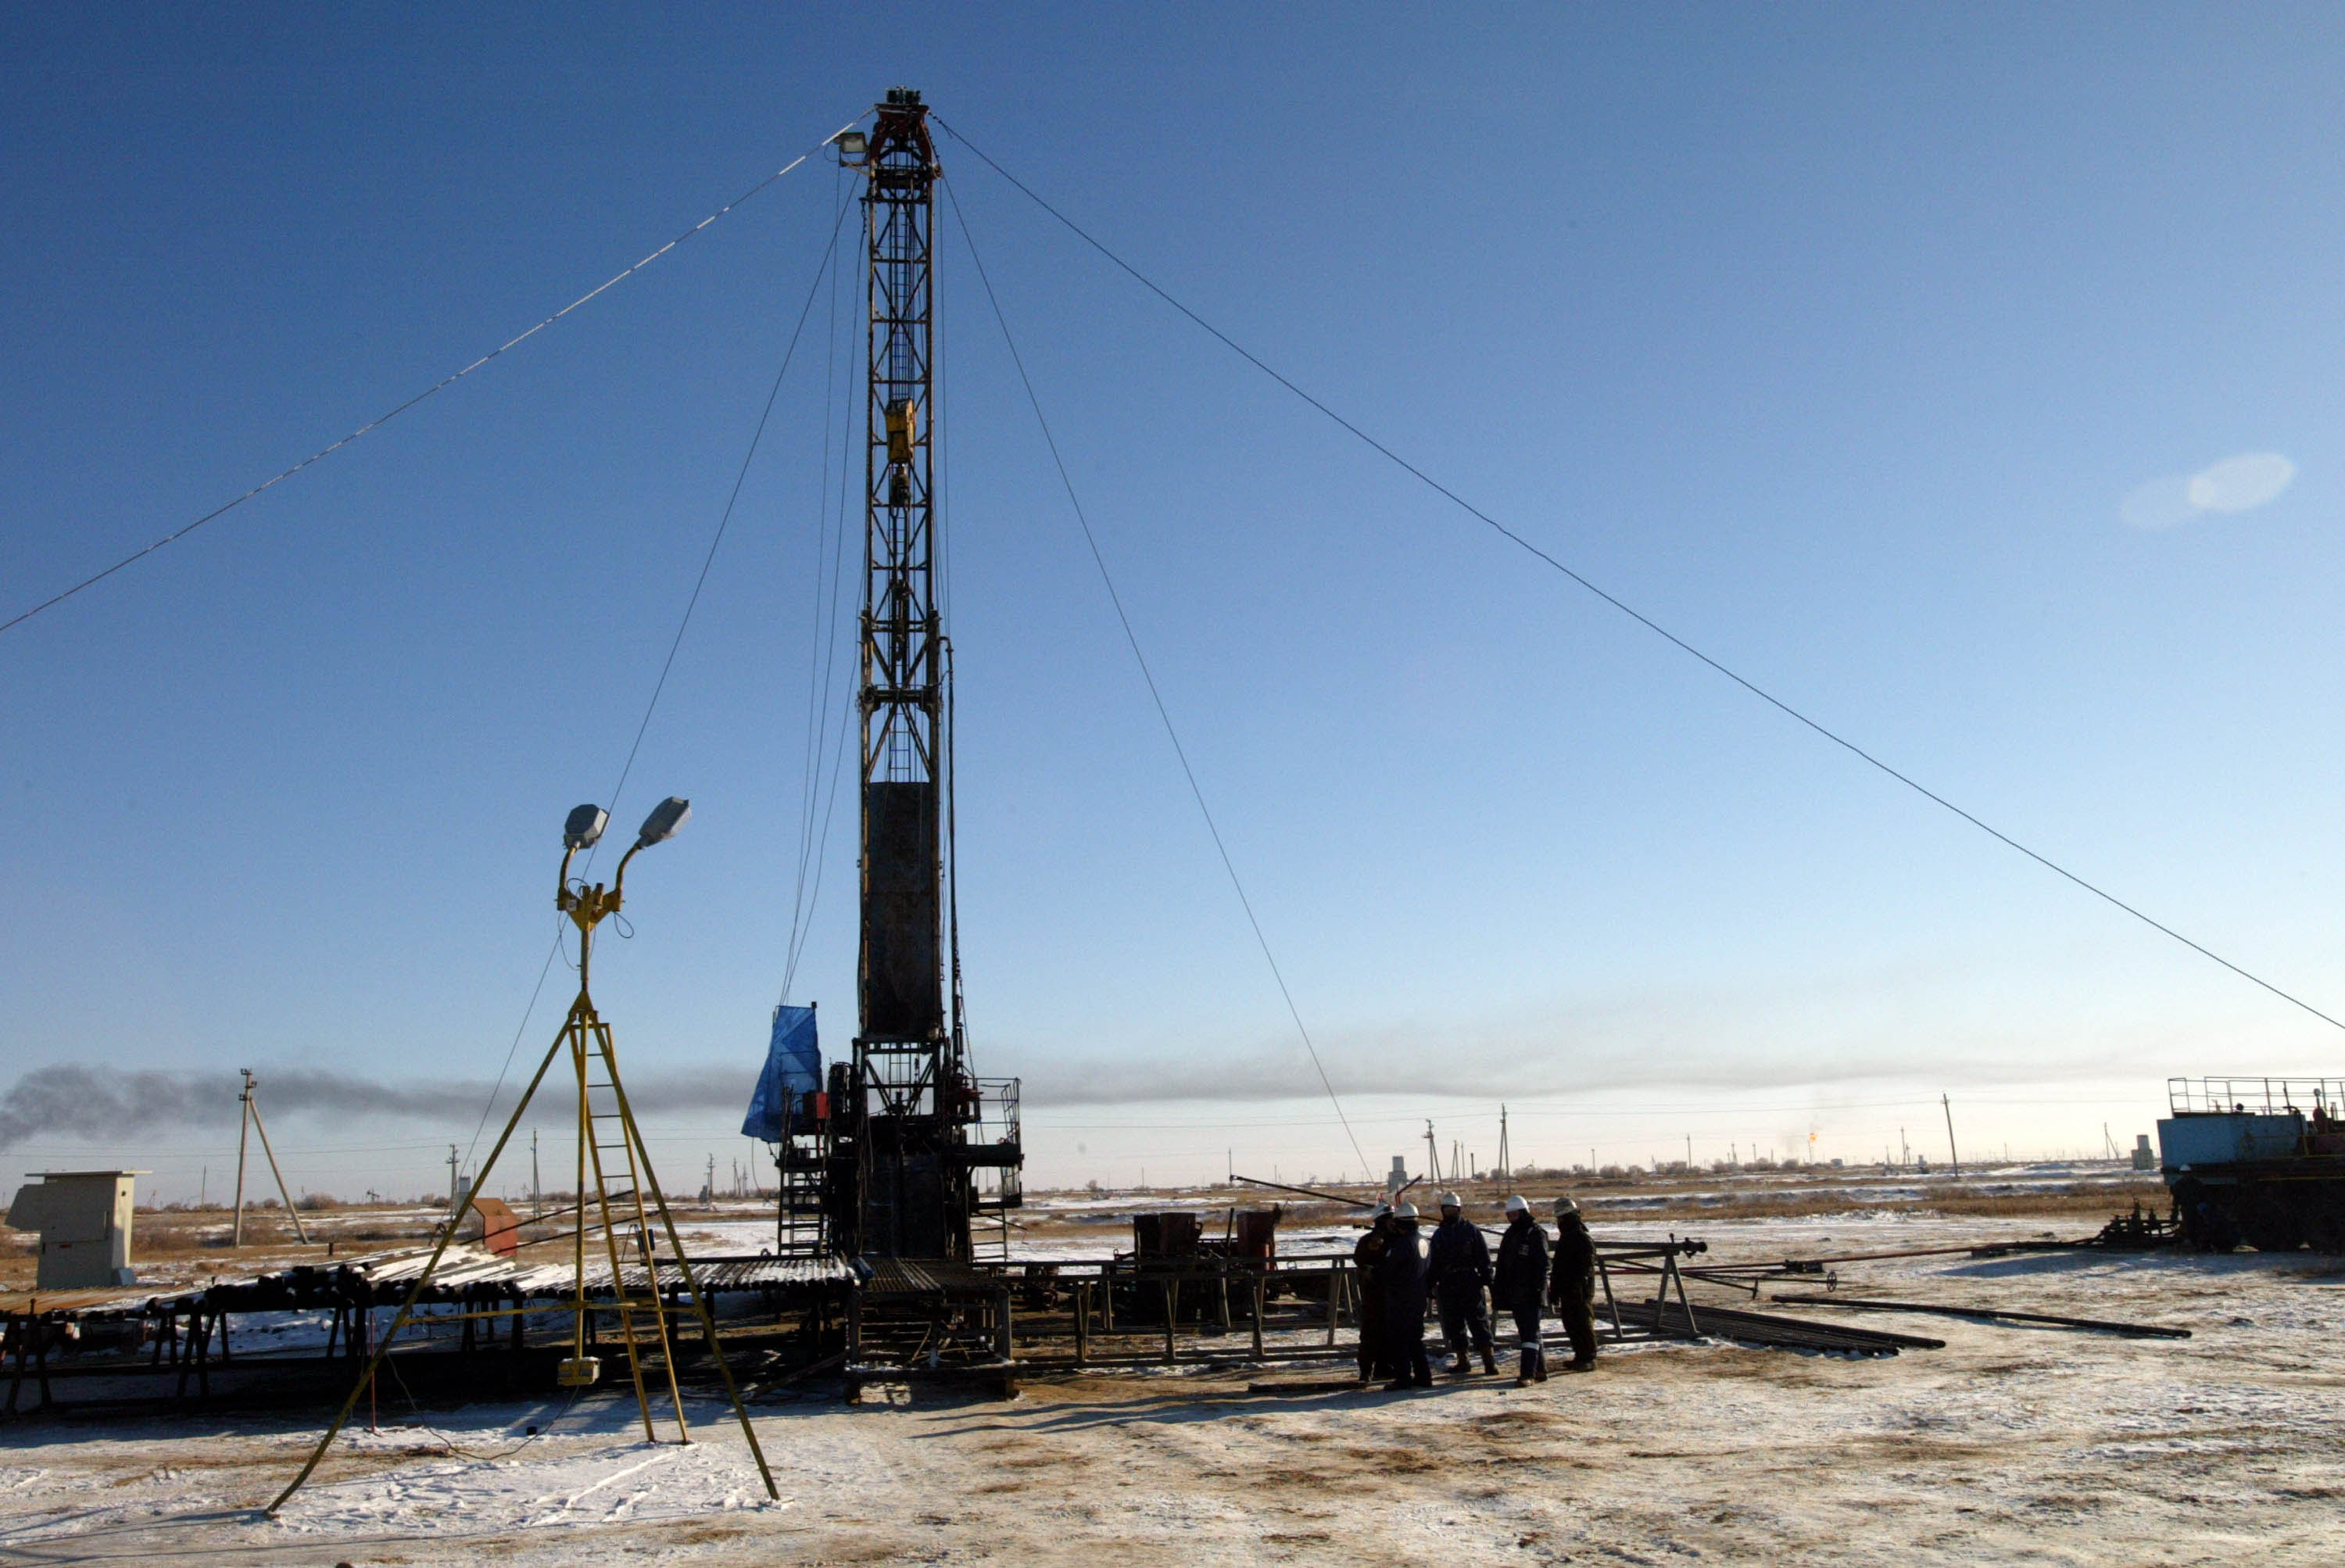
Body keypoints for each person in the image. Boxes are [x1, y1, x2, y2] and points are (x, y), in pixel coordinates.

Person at [1424, 1191, 1497, 1376]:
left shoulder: (1470, 1230)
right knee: (1454, 1324)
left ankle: (1489, 1361)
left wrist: (1488, 1280)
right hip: (1448, 1284)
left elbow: (1483, 1257)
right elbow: (1434, 1264)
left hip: (1469, 1282)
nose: (1450, 1211)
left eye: (1453, 1208)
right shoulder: (1440, 1235)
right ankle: (1462, 1360)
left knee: (1478, 1323)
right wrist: (1429, 1285)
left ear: (1458, 1209)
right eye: (1446, 1208)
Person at [1373, 1201, 1433, 1391]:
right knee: (1415, 1339)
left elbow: (1389, 1270)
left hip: (1401, 1298)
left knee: (1399, 1339)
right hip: (1418, 1297)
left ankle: (1403, 1378)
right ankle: (1424, 1376)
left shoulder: (1402, 1245)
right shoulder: (1424, 1241)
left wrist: (1373, 1272)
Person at [1491, 1194, 1549, 1386]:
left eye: (1515, 1214)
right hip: (1515, 1293)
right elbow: (1503, 1265)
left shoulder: (1535, 1233)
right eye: (1510, 1215)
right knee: (1530, 1333)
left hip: (1531, 1293)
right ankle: (1540, 1370)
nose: (1513, 1217)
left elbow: (1542, 1265)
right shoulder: (1511, 1234)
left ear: (1523, 1212)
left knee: (1529, 1335)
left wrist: (1537, 1289)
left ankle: (1528, 1375)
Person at [1548, 1196, 1599, 1370]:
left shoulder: (1582, 1238)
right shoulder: (1567, 1238)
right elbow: (1559, 1267)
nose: (1559, 1222)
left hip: (1579, 1289)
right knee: (1571, 1323)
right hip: (1567, 1288)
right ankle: (1580, 1356)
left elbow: (1586, 1267)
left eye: (1562, 1218)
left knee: (1583, 1323)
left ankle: (1589, 1358)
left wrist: (1578, 1286)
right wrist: (1554, 1291)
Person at [1351, 1204, 1394, 1383]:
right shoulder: (1368, 1242)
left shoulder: (1398, 1240)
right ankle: (1366, 1370)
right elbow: (1360, 1260)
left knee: (1389, 1334)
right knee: (1370, 1335)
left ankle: (1384, 1368)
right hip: (1374, 1296)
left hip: (1392, 1295)